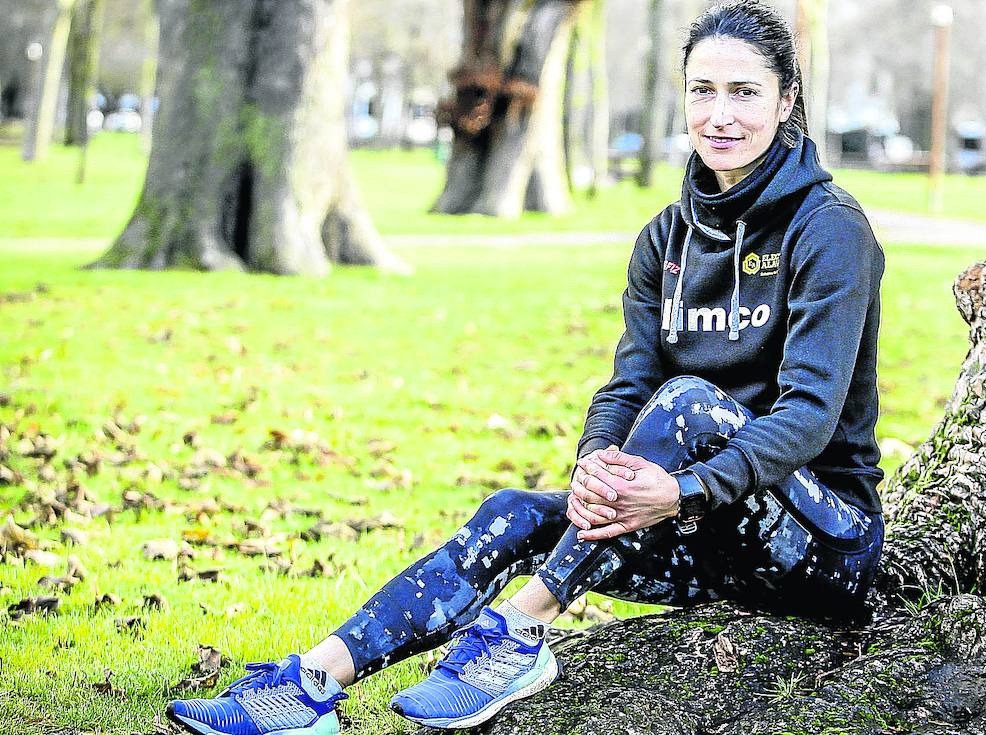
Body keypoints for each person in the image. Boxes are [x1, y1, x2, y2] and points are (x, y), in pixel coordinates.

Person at [165, 1, 886, 732]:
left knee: (687, 404)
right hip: (699, 529)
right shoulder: (665, 237)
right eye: (704, 90)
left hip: (823, 547)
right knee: (516, 511)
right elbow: (627, 383)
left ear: (786, 100)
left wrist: (685, 488)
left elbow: (808, 416)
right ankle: (310, 683)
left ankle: (521, 627)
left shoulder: (829, 229)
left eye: (744, 92)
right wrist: (597, 463)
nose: (720, 115)